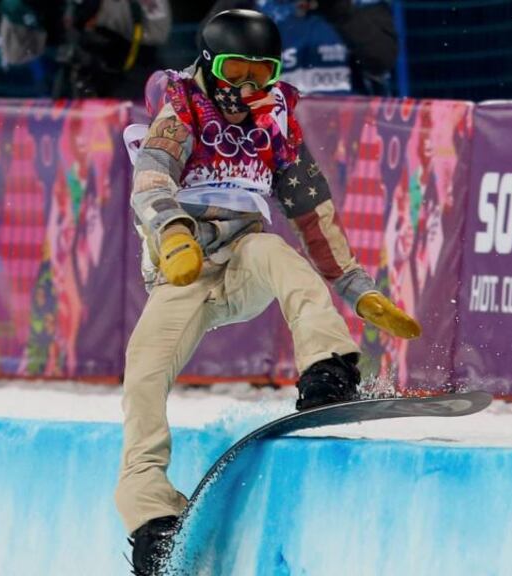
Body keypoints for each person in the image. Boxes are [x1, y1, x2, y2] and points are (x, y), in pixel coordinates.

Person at [117, 8, 420, 574]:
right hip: (186, 270)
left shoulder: (274, 125)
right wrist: (173, 232)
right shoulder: (183, 110)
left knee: (279, 255)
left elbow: (314, 216)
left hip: (244, 259)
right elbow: (152, 177)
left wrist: (356, 290)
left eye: (262, 73)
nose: (246, 88)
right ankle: (151, 517)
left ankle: (328, 370)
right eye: (235, 71)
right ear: (209, 65)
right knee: (142, 374)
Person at [205, 0, 398, 95]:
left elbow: (381, 60)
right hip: (277, 142)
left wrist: (337, 9)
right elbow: (208, 49)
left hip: (352, 140)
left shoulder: (360, 5)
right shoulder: (253, 6)